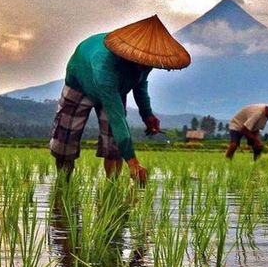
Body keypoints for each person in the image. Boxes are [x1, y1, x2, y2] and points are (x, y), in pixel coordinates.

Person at [49, 15, 191, 185]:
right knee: (66, 142)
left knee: (114, 146)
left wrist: (147, 115)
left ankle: (112, 187)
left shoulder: (146, 61)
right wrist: (133, 163)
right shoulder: (105, 67)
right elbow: (116, 118)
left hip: (113, 88)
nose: (144, 66)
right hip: (79, 81)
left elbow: (140, 84)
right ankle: (63, 184)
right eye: (140, 62)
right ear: (128, 54)